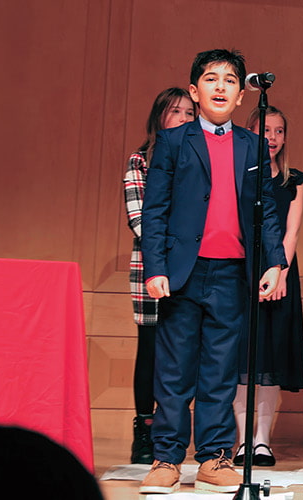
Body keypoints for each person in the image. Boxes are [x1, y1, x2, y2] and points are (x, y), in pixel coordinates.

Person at [139, 49, 287, 495]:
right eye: (210, 79)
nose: (220, 87)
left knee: (221, 371)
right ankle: (166, 456)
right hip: (183, 271)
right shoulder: (173, 141)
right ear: (194, 90)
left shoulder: (252, 145)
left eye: (229, 81)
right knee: (174, 369)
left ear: (242, 94)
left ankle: (214, 457)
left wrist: (275, 262)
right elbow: (156, 210)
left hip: (231, 273)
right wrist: (155, 267)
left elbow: (267, 215)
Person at [231, 105, 303, 467]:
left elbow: (291, 232)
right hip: (243, 274)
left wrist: (279, 271)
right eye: (265, 131)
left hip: (281, 274)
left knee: (271, 363)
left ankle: (263, 440)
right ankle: (243, 440)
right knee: (244, 362)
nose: (272, 138)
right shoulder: (240, 175)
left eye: (278, 131)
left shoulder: (294, 180)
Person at [124, 87, 195, 465]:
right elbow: (141, 220)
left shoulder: (199, 157)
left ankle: (176, 431)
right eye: (176, 111)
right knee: (150, 349)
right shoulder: (141, 161)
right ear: (159, 118)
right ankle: (144, 430)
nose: (184, 118)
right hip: (151, 267)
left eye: (188, 112)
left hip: (191, 269)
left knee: (183, 352)